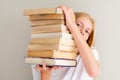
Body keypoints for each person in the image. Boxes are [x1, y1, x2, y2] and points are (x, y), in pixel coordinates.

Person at [31, 6, 100, 80]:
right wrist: (45, 73)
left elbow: (93, 72)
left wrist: (72, 24)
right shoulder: (44, 52)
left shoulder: (91, 52)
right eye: (78, 25)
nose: (82, 31)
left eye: (87, 31)